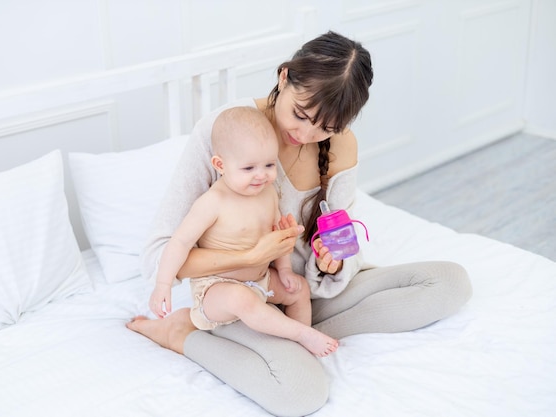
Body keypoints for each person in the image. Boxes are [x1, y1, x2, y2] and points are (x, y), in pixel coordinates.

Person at [128, 31, 472, 417]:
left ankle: (297, 334)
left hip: (298, 291)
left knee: (449, 283)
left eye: (324, 128)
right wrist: (252, 254)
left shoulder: (342, 145)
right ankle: (183, 332)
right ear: (284, 77)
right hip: (238, 297)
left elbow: (343, 240)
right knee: (302, 392)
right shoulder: (227, 131)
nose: (304, 135)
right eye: (300, 114)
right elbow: (158, 255)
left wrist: (333, 262)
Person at [147, 106, 338, 357]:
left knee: (299, 289)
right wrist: (163, 284)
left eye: (269, 164)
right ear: (220, 165)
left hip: (260, 281)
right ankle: (300, 334)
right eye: (249, 169)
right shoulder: (213, 202)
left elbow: (277, 236)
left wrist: (284, 270)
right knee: (241, 298)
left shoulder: (268, 193)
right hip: (216, 289)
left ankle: (299, 349)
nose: (261, 175)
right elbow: (180, 242)